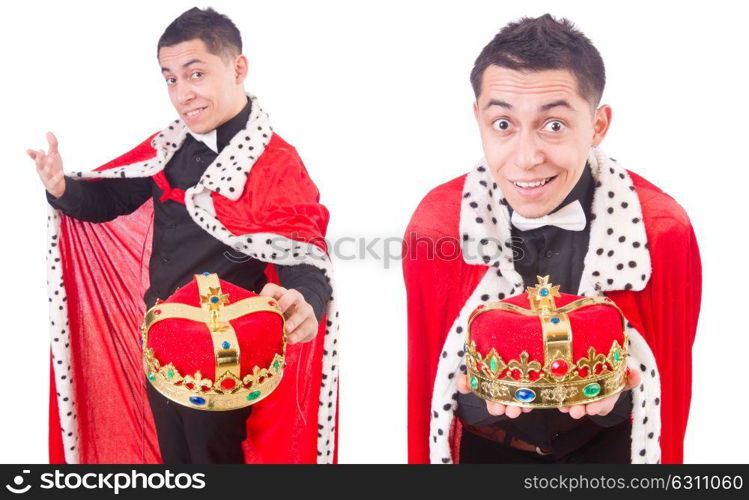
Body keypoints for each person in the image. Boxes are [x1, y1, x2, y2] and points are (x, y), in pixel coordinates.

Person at [29, 7, 339, 464]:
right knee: (175, 462)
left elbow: (302, 255)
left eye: (195, 74)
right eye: (170, 78)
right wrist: (62, 188)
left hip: (227, 364)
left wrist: (305, 302)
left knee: (215, 463)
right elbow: (110, 200)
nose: (182, 94)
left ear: (238, 68)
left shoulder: (276, 164)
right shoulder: (167, 147)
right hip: (162, 345)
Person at [403, 14, 701, 464]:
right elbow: (431, 382)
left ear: (598, 125)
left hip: (610, 454)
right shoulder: (438, 228)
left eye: (554, 125)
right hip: (487, 454)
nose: (526, 158)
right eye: (503, 124)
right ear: (478, 118)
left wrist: (616, 394)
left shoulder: (661, 230)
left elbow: (670, 384)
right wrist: (477, 396)